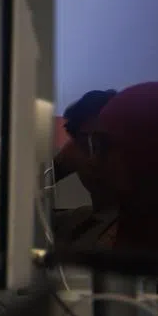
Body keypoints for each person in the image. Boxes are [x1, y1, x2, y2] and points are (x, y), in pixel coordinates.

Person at [85, 81, 158, 255]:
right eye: (94, 146)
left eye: (104, 147)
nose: (92, 161)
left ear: (153, 152)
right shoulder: (136, 220)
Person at [51, 89, 118, 249]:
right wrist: (56, 166)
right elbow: (12, 219)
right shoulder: (77, 219)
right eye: (86, 144)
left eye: (103, 144)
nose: (94, 159)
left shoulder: (134, 232)